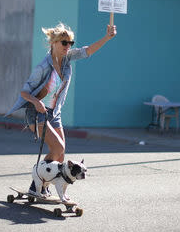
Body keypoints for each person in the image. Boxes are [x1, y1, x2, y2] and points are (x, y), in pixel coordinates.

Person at [6, 22, 117, 195]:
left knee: (61, 154)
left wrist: (107, 37)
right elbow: (24, 92)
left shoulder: (67, 59)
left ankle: (43, 186)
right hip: (37, 112)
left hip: (54, 113)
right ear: (54, 43)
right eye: (64, 43)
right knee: (56, 149)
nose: (68, 46)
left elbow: (87, 51)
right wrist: (36, 102)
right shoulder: (42, 67)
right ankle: (37, 185)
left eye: (70, 43)